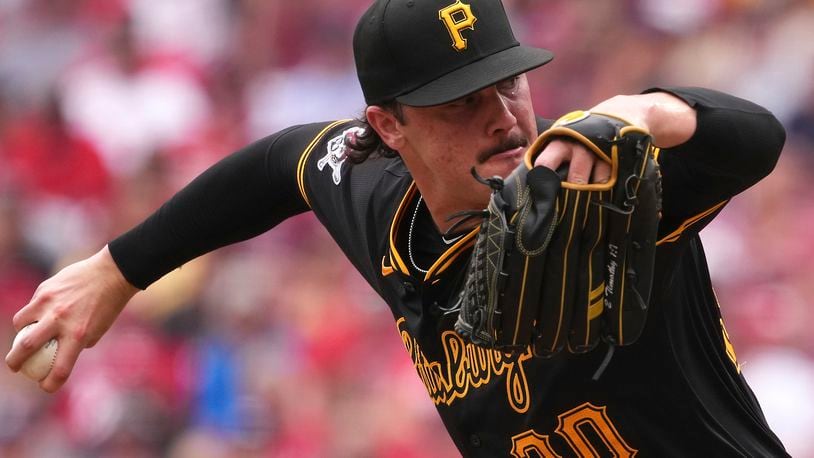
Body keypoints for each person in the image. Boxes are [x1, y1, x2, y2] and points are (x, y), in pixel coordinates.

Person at [6, 0, 789, 456]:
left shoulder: (593, 183)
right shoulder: (379, 201)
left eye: (507, 83)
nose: (503, 118)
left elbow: (755, 137)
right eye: (460, 103)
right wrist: (116, 270)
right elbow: (281, 164)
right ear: (388, 126)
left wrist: (647, 111)